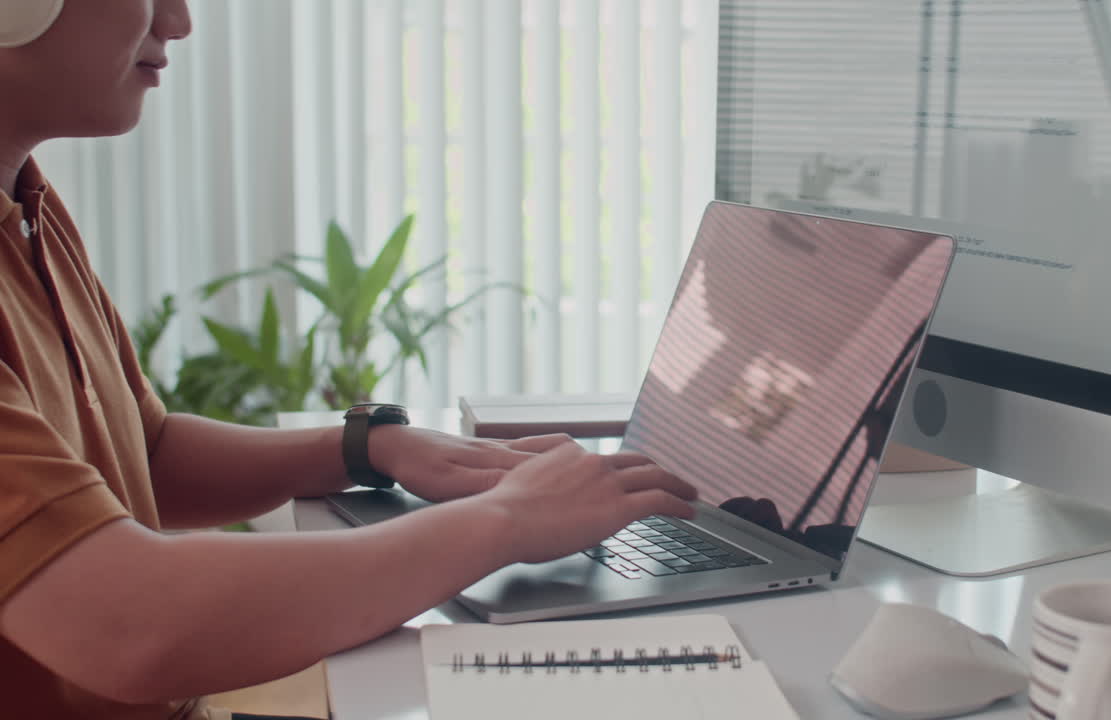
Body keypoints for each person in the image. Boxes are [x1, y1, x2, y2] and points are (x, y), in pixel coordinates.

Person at [0, 2, 697, 719]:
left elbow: (142, 452)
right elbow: (129, 626)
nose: (177, 22)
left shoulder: (27, 202)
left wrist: (367, 448)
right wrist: (508, 522)